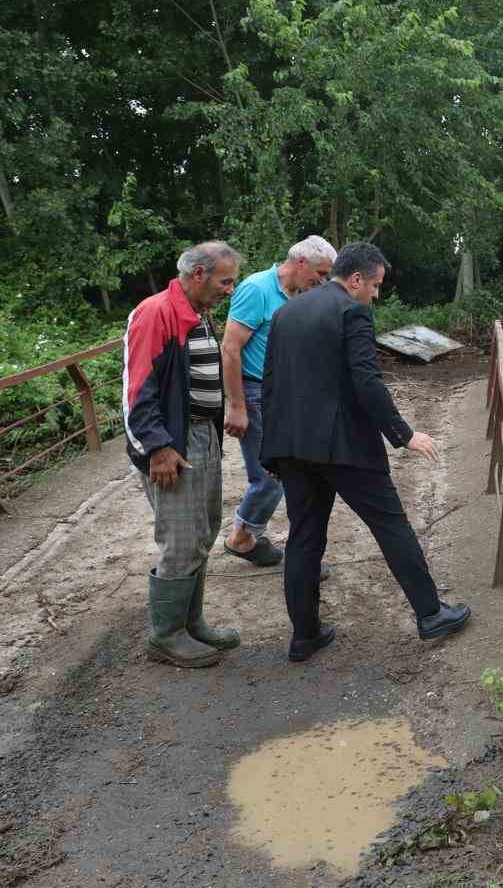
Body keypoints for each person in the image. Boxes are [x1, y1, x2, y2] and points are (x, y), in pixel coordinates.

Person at [260, 241, 471, 662]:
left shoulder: (287, 312)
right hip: (343, 446)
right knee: (391, 526)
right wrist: (404, 434)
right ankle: (430, 614)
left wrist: (274, 448)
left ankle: (304, 635)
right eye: (375, 285)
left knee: (304, 539)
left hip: (292, 446)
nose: (376, 294)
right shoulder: (352, 311)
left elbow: (270, 382)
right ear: (356, 279)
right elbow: (366, 381)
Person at [122, 241, 243, 668]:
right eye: (225, 281)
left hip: (201, 436)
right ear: (199, 275)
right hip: (175, 442)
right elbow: (137, 389)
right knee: (181, 538)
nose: (230, 290)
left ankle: (192, 624)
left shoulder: (197, 313)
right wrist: (157, 447)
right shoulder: (157, 313)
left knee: (203, 530)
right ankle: (166, 635)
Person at [220, 234, 337, 567]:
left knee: (285, 470)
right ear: (301, 263)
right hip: (256, 394)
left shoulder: (297, 295)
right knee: (269, 475)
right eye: (322, 272)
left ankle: (248, 535)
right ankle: (242, 538)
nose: (323, 281)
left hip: (283, 395)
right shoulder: (257, 290)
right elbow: (230, 349)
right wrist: (238, 406)